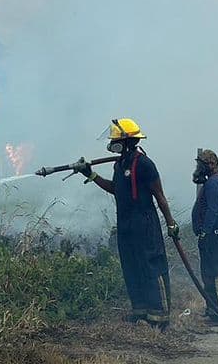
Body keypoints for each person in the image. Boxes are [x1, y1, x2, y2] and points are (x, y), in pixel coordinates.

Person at [73, 118, 180, 328]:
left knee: (150, 267)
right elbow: (116, 188)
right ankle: (140, 310)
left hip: (144, 223)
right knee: (131, 266)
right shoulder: (120, 164)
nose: (113, 143)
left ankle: (159, 316)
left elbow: (160, 196)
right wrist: (91, 175)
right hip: (126, 223)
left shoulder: (145, 164)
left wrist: (171, 224)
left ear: (128, 141)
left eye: (116, 139)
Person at [191, 149, 218, 324]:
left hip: (215, 236)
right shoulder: (213, 181)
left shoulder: (214, 183)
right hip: (214, 235)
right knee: (208, 274)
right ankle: (212, 309)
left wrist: (205, 232)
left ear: (212, 164)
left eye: (202, 164)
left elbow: (213, 210)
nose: (199, 168)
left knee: (216, 274)